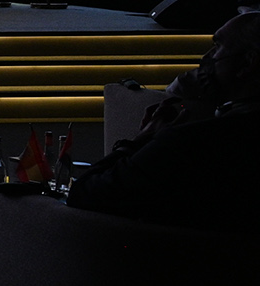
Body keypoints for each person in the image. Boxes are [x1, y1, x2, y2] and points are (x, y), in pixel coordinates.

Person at [69, 12, 260, 232]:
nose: (207, 57)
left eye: (218, 47)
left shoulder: (187, 144)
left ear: (249, 62)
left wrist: (140, 140)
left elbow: (85, 194)